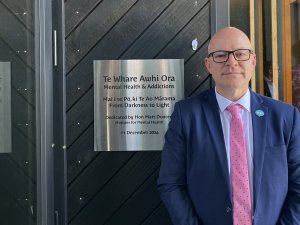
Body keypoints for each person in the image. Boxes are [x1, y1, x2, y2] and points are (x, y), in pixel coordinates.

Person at [157, 27, 300, 225]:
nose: (231, 62)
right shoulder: (186, 116)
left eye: (240, 54)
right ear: (208, 64)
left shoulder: (285, 117)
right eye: (221, 55)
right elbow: (171, 183)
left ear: (253, 60)